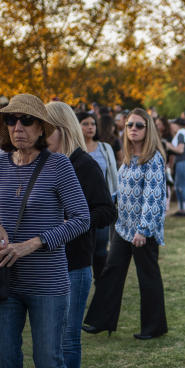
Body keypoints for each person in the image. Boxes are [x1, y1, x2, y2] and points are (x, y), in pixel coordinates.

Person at [0, 94, 90, 368]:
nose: (18, 129)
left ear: (42, 129)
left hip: (47, 280)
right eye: (12, 122)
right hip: (5, 280)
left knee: (49, 362)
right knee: (5, 366)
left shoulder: (59, 166)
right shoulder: (0, 163)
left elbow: (81, 219)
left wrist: (35, 242)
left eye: (26, 122)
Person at [39, 101, 115, 368]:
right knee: (48, 342)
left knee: (67, 340)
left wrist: (75, 221)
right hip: (41, 262)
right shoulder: (40, 163)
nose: (40, 135)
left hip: (74, 263)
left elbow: (106, 211)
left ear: (62, 129)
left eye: (46, 128)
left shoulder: (84, 165)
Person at [83, 108, 169, 340]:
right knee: (111, 272)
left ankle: (154, 327)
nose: (133, 129)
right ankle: (100, 321)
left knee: (147, 277)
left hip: (143, 231)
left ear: (148, 129)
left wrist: (143, 230)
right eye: (130, 124)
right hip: (122, 227)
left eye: (139, 125)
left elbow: (154, 197)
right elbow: (121, 191)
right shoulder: (128, 158)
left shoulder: (154, 159)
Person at [77, 111, 118, 279]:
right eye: (85, 124)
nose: (90, 127)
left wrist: (114, 197)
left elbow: (113, 174)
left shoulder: (105, 148)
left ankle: (101, 285)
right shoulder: (75, 149)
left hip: (101, 203)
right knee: (83, 250)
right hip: (80, 204)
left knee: (101, 248)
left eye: (93, 124)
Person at [167, 117, 185, 216]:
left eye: (173, 124)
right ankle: (182, 209)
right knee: (179, 187)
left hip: (183, 162)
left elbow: (180, 150)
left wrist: (169, 145)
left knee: (182, 187)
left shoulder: (181, 133)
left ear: (176, 125)